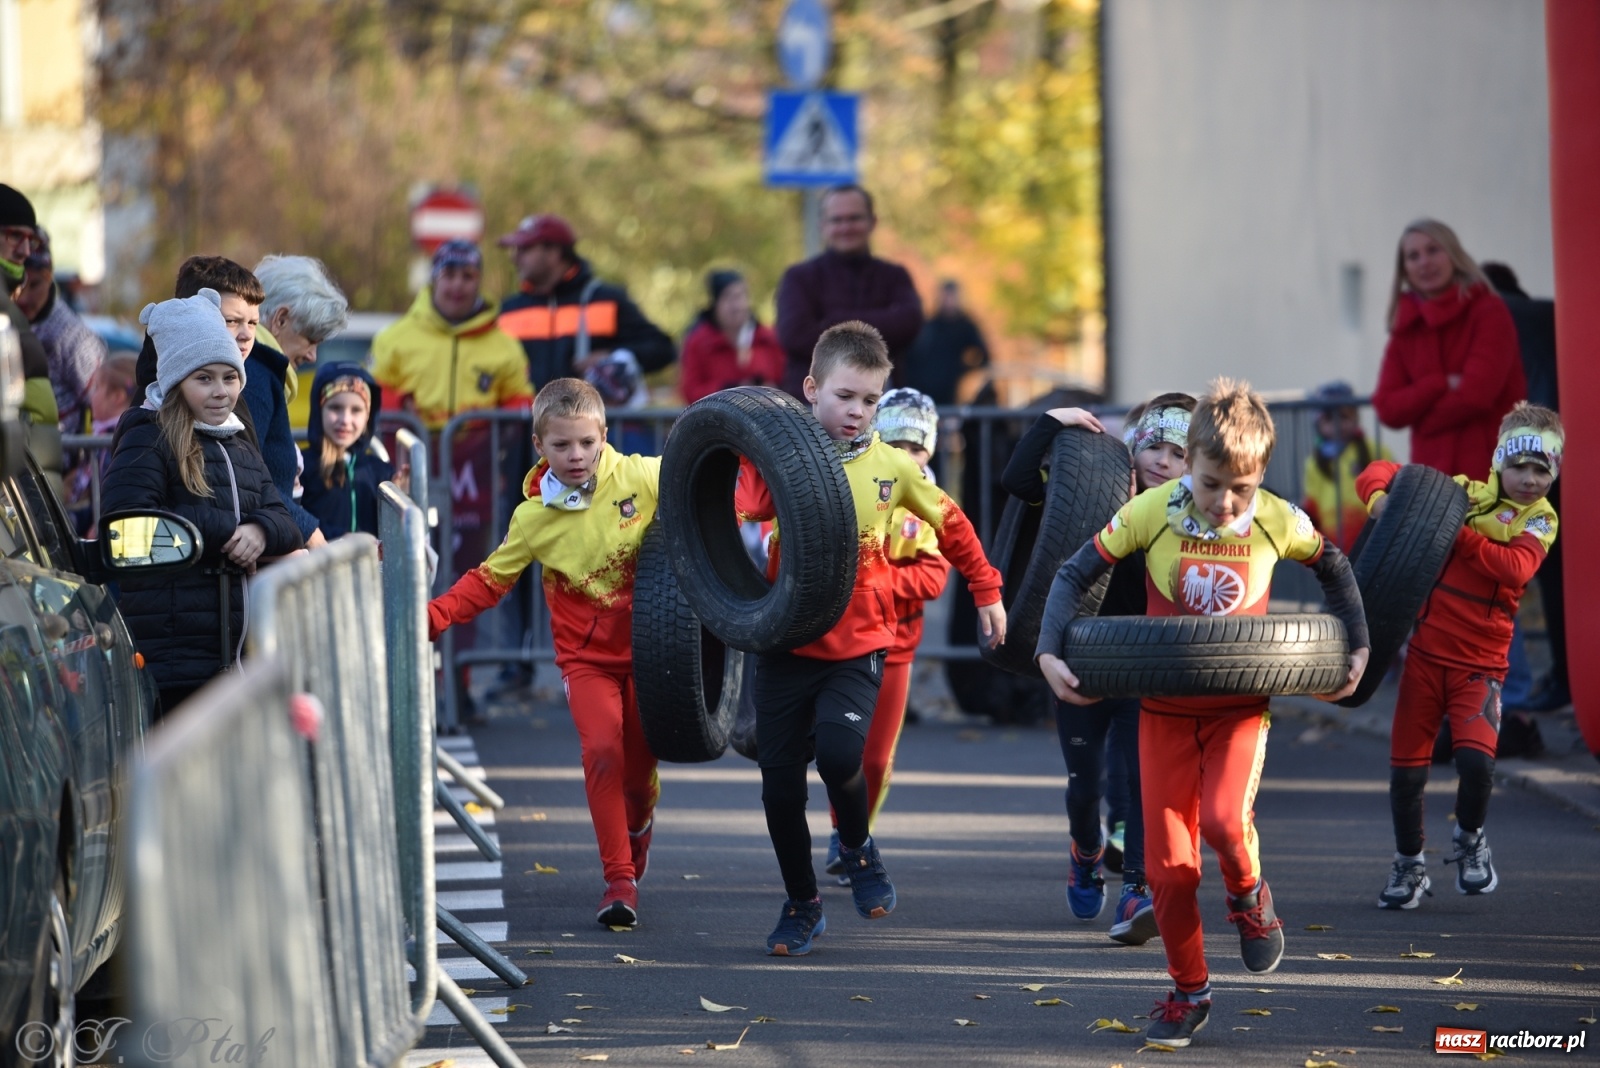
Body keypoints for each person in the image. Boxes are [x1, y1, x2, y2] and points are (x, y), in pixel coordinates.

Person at [1033, 379, 1370, 1049]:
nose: (1225, 502)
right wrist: (1048, 651)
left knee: (1221, 819)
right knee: (1168, 870)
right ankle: (1190, 991)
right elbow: (1074, 572)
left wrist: (1354, 648)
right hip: (1161, 710)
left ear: (1260, 476)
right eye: (1212, 482)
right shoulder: (1153, 509)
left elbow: (1334, 565)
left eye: (1239, 488)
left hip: (1239, 709)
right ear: (1189, 463)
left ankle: (1250, 896)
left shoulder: (1276, 516)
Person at [734, 321, 1006, 956]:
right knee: (779, 788)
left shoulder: (893, 467)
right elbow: (746, 511)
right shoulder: (783, 455)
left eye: (869, 400)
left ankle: (855, 844)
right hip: (784, 643)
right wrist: (751, 444)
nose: (857, 412)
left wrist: (987, 590)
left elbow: (956, 526)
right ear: (811, 390)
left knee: (838, 756)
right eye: (845, 396)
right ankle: (802, 902)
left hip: (858, 644)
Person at [426, 379, 662, 928]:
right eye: (562, 446)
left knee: (638, 774)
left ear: (604, 435)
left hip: (654, 653)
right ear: (539, 446)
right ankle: (618, 881)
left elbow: (714, 495)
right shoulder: (533, 518)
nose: (576, 456)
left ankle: (639, 826)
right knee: (602, 750)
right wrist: (433, 617)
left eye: (586, 442)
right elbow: (488, 582)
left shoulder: (643, 476)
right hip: (586, 661)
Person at [1002, 393, 1197, 947]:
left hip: (1143, 663)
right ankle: (1085, 851)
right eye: (1154, 446)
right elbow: (1018, 482)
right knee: (1085, 787)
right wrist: (1051, 423)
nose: (1163, 460)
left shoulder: (1187, 515)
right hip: (1081, 661)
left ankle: (1136, 886)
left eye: (1178, 454)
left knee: (1139, 782)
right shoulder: (1093, 498)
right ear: (1133, 449)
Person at [1357, 403, 1561, 909]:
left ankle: (1471, 841)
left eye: (1543, 470)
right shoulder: (1462, 492)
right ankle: (1409, 865)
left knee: (1475, 764)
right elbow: (1380, 472)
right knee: (1407, 772)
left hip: (1481, 668)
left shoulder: (1542, 520)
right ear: (1498, 460)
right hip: (1424, 658)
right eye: (1520, 466)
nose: (1530, 480)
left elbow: (1512, 568)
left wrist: (1453, 533)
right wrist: (1381, 501)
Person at [100, 289, 303, 717]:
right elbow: (125, 528)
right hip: (172, 660)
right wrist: (226, 533)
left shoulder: (238, 438)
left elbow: (283, 517)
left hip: (231, 657)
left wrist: (259, 531)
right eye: (204, 378)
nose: (219, 391)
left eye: (229, 378)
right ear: (176, 381)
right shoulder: (147, 435)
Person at [820, 387, 952, 879]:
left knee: (874, 759)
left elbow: (934, 576)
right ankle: (844, 827)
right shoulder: (850, 483)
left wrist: (878, 582)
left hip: (895, 648)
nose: (908, 456)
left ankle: (850, 833)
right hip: (842, 643)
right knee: (837, 750)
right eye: (897, 444)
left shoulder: (928, 503)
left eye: (918, 448)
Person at [125, 256, 329, 549]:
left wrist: (263, 529)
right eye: (231, 321)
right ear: (194, 314)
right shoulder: (151, 415)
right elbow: (141, 529)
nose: (247, 334)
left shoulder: (236, 403)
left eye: (253, 323)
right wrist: (240, 534)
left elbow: (261, 494)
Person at [1478, 262, 1567, 713]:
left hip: (1528, 455)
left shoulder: (1494, 316)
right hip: (1571, 451)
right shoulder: (1553, 313)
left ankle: (1549, 684)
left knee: (1516, 571)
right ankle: (1568, 680)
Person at [1372, 219, 1524, 482]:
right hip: (1432, 479)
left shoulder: (1488, 311)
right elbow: (1387, 408)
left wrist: (1423, 421)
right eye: (1413, 256)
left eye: (1433, 250)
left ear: (1454, 255)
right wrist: (1439, 384)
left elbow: (1477, 394)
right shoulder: (1406, 327)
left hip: (1493, 472)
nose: (1424, 262)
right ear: (1405, 270)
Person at [496, 214, 676, 398]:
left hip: (593, 424)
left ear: (553, 253)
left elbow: (662, 349)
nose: (514, 258)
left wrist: (611, 357)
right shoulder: (507, 310)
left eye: (524, 249)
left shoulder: (606, 300)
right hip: (528, 424)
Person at [775, 185, 923, 397]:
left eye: (854, 218)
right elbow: (795, 336)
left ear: (872, 222)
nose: (846, 227)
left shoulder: (895, 276)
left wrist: (832, 321)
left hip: (881, 411)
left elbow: (909, 323)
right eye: (837, 220)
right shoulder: (799, 278)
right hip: (810, 415)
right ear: (822, 225)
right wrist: (880, 326)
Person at [11, 228, 104, 432]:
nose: (23, 297)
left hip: (62, 459)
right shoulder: (8, 322)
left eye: (34, 285)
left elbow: (107, 409)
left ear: (49, 276)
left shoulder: (74, 338)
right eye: (19, 285)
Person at [1300, 381, 1393, 556]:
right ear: (1318, 423)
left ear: (1356, 418)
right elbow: (1312, 503)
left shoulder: (1373, 450)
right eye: (1329, 419)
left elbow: (1394, 482)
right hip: (1334, 542)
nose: (1337, 424)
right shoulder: (1314, 462)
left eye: (1344, 417)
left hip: (1373, 537)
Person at [301, 363, 393, 540]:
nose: (345, 419)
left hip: (370, 567)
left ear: (368, 416)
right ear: (319, 410)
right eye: (335, 408)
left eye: (356, 410)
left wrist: (400, 496)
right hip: (319, 564)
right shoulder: (301, 465)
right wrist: (342, 539)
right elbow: (295, 520)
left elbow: (396, 537)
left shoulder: (381, 471)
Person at [678, 269, 787, 403]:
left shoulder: (768, 338)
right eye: (729, 298)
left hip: (766, 416)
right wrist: (731, 389)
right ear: (715, 303)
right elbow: (691, 391)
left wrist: (772, 390)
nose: (737, 306)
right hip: (717, 419)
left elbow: (787, 380)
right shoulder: (699, 342)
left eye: (741, 296)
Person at [905, 280, 989, 406]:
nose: (947, 301)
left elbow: (983, 355)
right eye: (945, 297)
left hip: (949, 391)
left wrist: (961, 369)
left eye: (950, 296)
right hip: (924, 389)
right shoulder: (930, 325)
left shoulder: (964, 326)